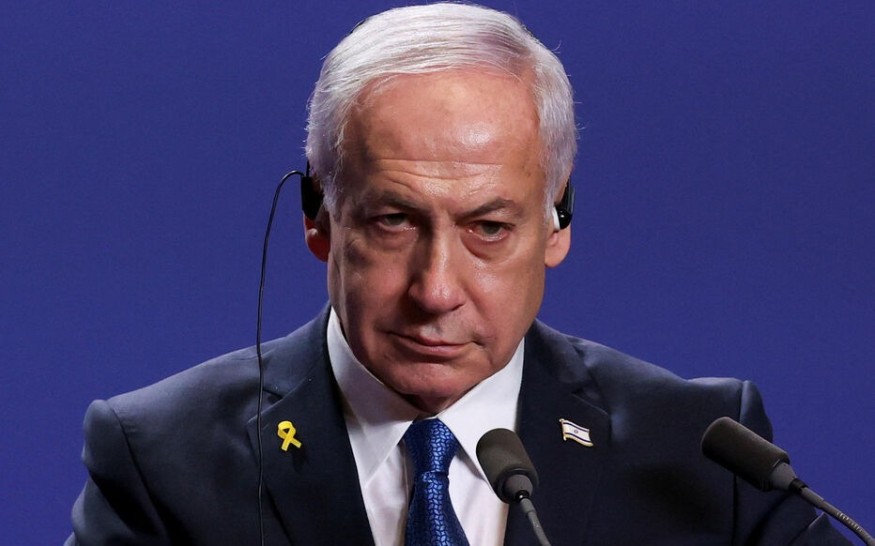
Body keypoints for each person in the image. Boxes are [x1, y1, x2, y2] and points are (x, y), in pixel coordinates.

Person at [66, 3, 850, 545]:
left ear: (556, 223)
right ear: (319, 218)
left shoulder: (705, 456)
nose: (436, 291)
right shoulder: (159, 458)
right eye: (393, 221)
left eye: (488, 228)